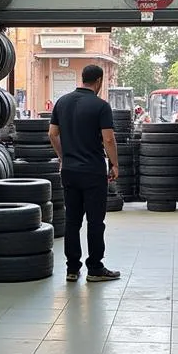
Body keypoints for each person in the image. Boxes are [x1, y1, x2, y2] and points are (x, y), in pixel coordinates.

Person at [49, 65, 121, 282]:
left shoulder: (62, 102)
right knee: (95, 221)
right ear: (98, 81)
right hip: (93, 172)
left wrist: (63, 157)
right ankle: (95, 268)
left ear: (83, 79)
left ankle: (72, 269)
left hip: (69, 171)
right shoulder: (100, 106)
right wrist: (115, 164)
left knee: (72, 221)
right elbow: (108, 139)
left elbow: (52, 134)